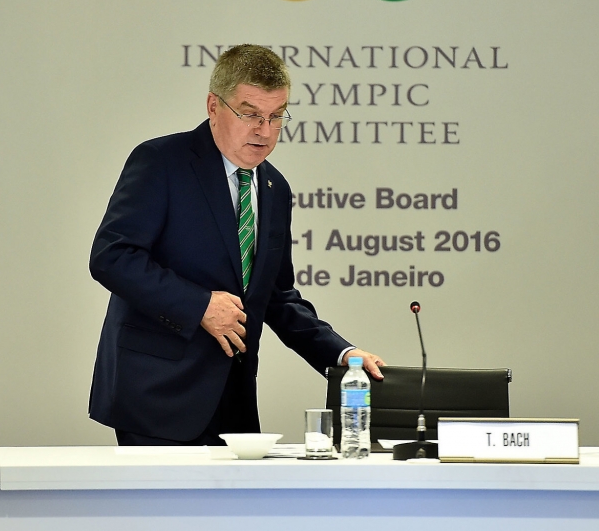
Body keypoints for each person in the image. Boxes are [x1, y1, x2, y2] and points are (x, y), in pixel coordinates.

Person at [88, 44, 385, 446]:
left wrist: (342, 353)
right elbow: (112, 256)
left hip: (233, 402)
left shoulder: (275, 188)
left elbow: (277, 297)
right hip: (158, 396)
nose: (264, 130)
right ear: (214, 106)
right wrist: (200, 306)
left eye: (276, 116)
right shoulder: (162, 161)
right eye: (250, 114)